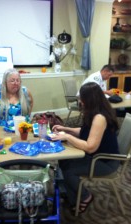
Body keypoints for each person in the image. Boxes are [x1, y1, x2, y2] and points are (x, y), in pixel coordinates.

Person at [51, 82, 120, 213]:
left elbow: (90, 147)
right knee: (63, 161)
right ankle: (72, 195)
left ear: (88, 99)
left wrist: (67, 136)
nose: (81, 101)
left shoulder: (100, 117)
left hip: (105, 161)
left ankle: (86, 196)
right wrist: (66, 129)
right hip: (97, 157)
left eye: (82, 99)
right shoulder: (96, 112)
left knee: (68, 170)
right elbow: (85, 131)